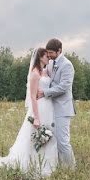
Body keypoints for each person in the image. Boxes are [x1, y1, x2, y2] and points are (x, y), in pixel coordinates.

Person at [0, 47, 59, 177]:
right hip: (39, 108)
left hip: (49, 107)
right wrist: (36, 117)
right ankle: (32, 165)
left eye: (49, 57)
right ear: (40, 57)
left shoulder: (45, 72)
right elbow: (32, 97)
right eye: (46, 56)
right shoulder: (35, 73)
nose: (48, 58)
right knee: (35, 136)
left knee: (49, 136)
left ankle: (49, 165)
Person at [37, 38, 76, 169]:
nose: (48, 55)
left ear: (59, 51)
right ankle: (59, 167)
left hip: (63, 108)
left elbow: (63, 87)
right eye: (47, 52)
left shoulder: (67, 65)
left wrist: (44, 92)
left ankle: (71, 170)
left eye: (51, 52)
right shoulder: (50, 63)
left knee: (63, 142)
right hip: (51, 108)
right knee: (54, 140)